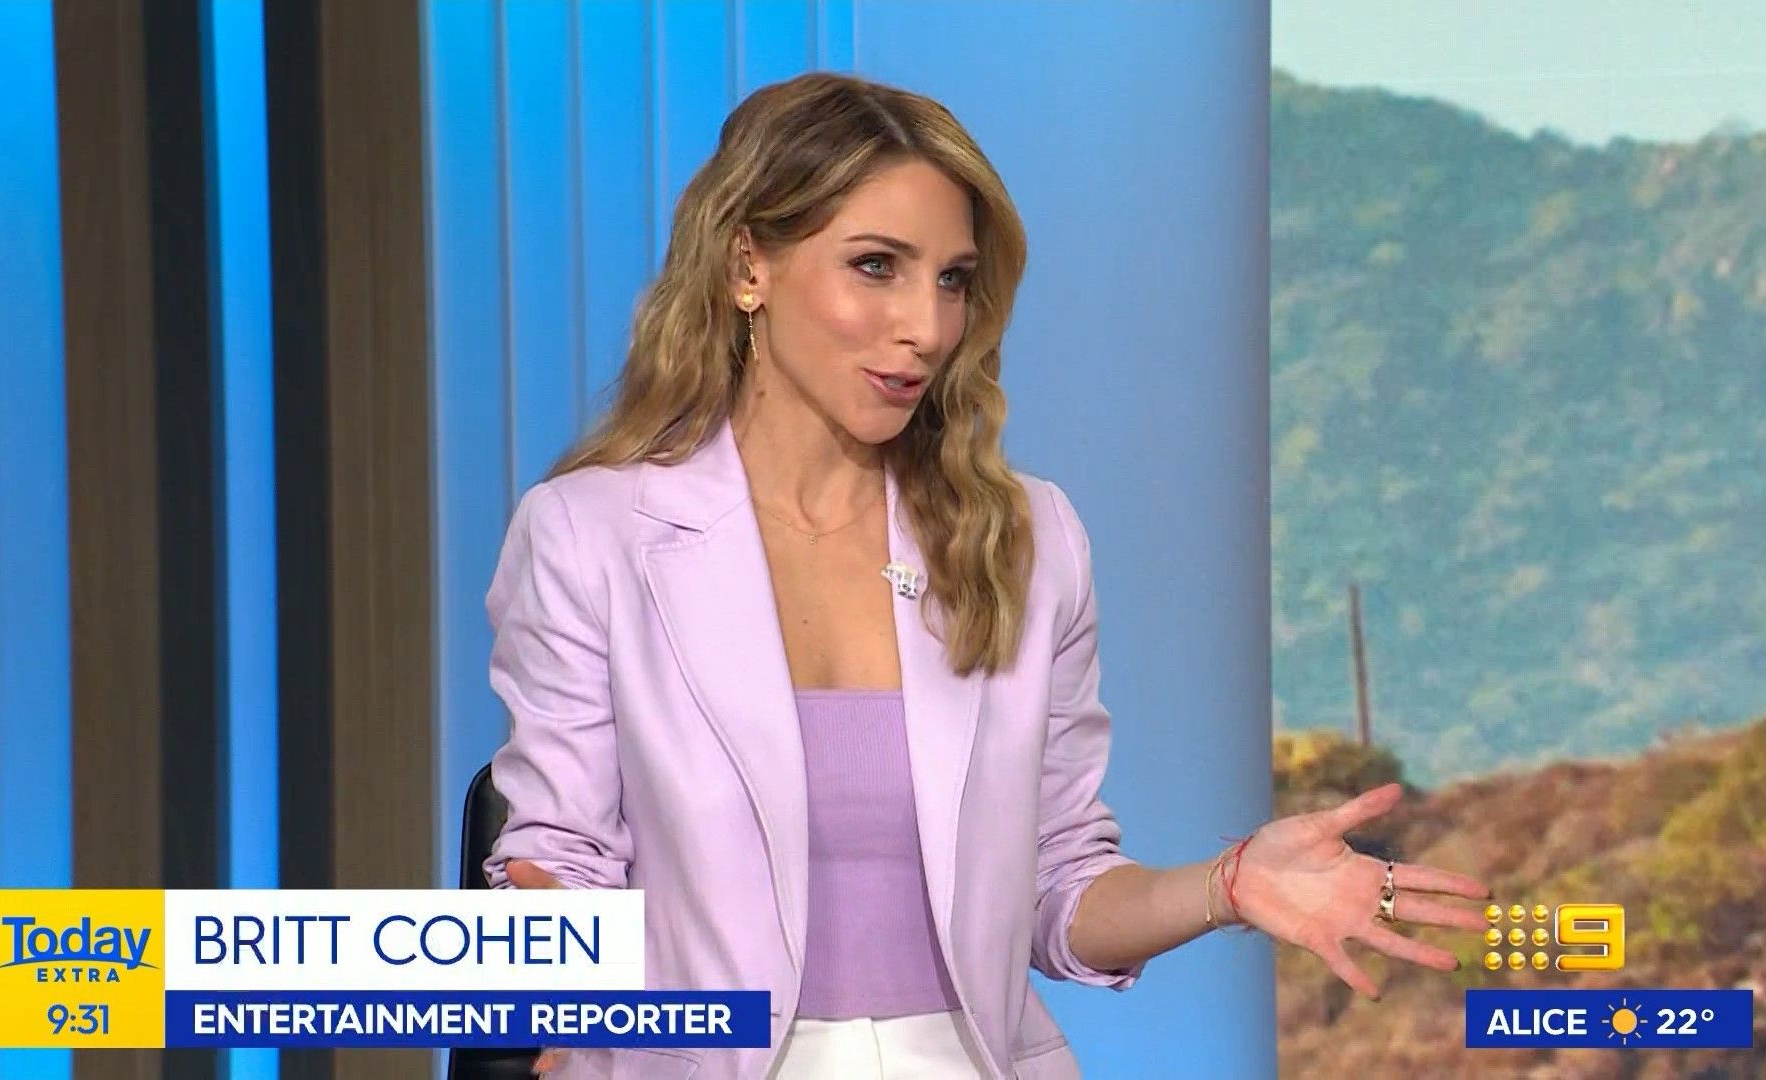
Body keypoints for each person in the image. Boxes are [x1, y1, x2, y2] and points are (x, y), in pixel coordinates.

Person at [482, 71, 1490, 1079]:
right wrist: (563, 989)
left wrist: (1225, 887)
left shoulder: (1027, 541)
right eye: (877, 266)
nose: (926, 327)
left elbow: (1061, 886)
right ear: (750, 266)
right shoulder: (590, 535)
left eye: (953, 281)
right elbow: (555, 860)